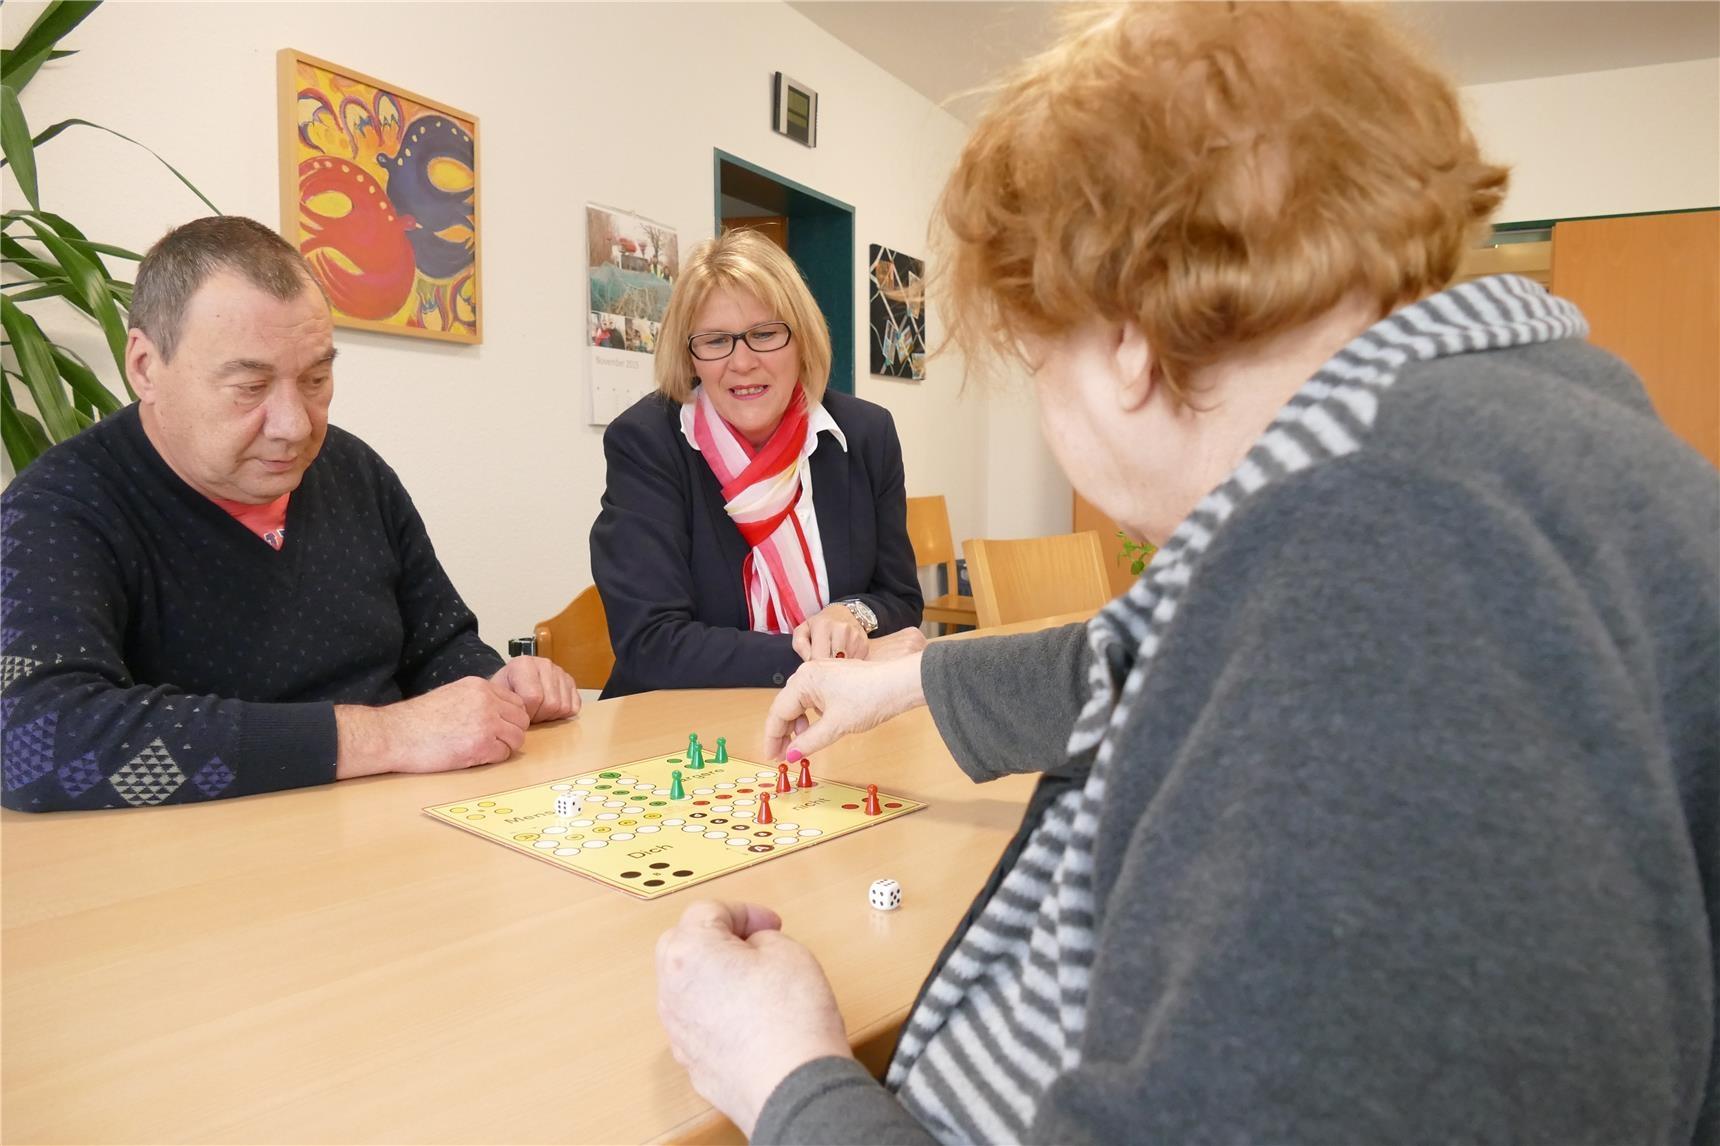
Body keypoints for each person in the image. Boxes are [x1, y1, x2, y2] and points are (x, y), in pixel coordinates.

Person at [653, 4, 1719, 1142]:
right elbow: (1173, 650)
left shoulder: (1393, 571)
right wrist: (905, 682)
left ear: (1122, 336)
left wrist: (788, 1076)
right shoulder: (1494, 440)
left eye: (1033, 358)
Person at [0, 216, 576, 813]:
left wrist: (493, 687)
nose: (295, 426)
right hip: (208, 864)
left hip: (396, 830)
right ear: (145, 366)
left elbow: (438, 645)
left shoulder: (355, 471)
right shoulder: (62, 505)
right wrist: (383, 735)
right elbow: (38, 743)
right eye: (250, 387)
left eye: (316, 379)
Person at [591, 229, 924, 697]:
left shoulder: (866, 435)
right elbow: (651, 644)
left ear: (802, 340)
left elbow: (899, 599)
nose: (742, 362)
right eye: (715, 341)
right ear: (691, 357)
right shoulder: (647, 443)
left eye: (765, 334)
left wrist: (853, 615)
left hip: (836, 715)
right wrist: (819, 661)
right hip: (681, 733)